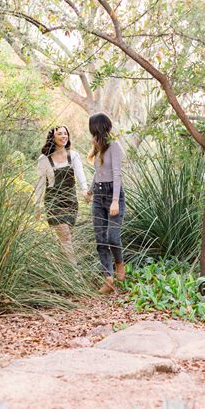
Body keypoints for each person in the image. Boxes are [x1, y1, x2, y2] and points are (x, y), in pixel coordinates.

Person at [35, 125, 88, 261]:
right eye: (60, 134)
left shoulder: (74, 155)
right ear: (53, 137)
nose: (64, 136)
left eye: (66, 133)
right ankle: (75, 273)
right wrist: (37, 205)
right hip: (54, 202)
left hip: (71, 201)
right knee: (65, 237)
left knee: (66, 237)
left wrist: (85, 190)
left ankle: (61, 267)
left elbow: (81, 175)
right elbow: (41, 182)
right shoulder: (44, 159)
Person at [86, 113, 126, 294]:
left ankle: (119, 263)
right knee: (100, 240)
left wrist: (115, 201)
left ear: (98, 127)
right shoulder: (97, 147)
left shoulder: (114, 146)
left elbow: (117, 174)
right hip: (98, 196)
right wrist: (90, 189)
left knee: (112, 237)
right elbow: (99, 172)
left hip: (113, 195)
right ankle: (108, 280)